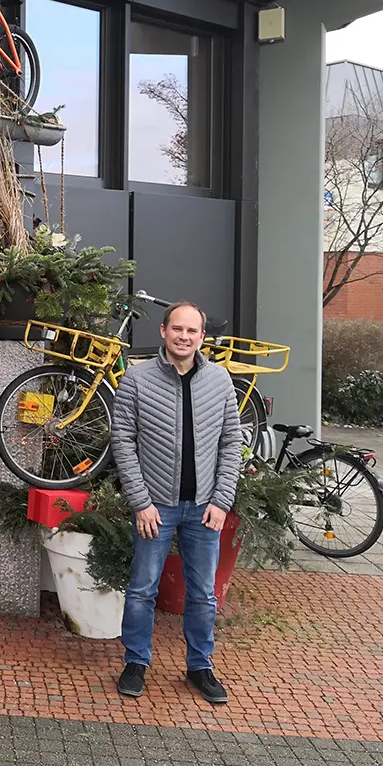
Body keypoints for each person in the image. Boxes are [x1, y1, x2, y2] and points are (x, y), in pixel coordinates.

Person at [111, 301, 242, 704]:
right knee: (142, 590)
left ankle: (200, 667)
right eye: (177, 329)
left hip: (204, 509)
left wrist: (221, 500)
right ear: (164, 331)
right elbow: (122, 442)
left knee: (203, 594)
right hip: (156, 508)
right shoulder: (137, 379)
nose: (184, 337)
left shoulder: (219, 380)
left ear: (202, 336)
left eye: (192, 331)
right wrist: (140, 502)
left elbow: (231, 443)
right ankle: (135, 663)